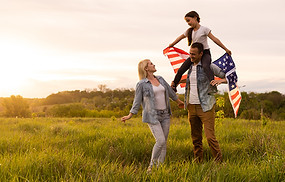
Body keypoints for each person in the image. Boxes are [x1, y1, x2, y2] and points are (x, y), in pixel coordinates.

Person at [121, 59, 184, 172]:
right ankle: (151, 167)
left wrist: (179, 102)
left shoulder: (160, 79)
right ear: (146, 68)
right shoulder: (141, 84)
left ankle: (159, 169)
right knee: (160, 141)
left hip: (165, 115)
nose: (153, 64)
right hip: (152, 116)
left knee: (163, 143)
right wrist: (130, 115)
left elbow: (170, 92)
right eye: (150, 63)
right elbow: (137, 101)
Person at [183, 42, 227, 163]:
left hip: (206, 106)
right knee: (196, 138)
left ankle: (219, 163)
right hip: (191, 106)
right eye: (190, 53)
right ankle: (198, 162)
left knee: (210, 137)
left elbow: (229, 77)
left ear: (201, 54)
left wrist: (221, 81)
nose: (191, 56)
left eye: (193, 54)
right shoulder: (190, 67)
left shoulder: (210, 66)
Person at [169, 11, 231, 94]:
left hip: (205, 53)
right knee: (181, 70)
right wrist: (172, 44)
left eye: (188, 20)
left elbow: (214, 39)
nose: (188, 23)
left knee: (206, 66)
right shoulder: (189, 31)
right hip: (194, 54)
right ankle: (174, 86)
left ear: (195, 18)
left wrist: (225, 49)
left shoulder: (204, 29)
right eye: (186, 21)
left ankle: (212, 87)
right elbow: (180, 37)